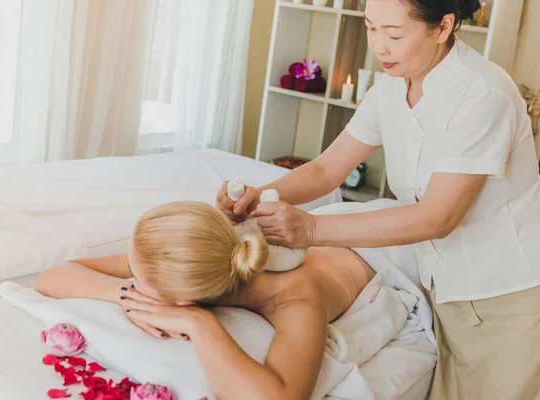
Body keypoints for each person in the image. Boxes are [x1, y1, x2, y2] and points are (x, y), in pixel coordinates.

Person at [216, 0, 540, 398]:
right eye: (371, 28)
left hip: (504, 295)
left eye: (394, 33)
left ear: (443, 27)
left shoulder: (484, 94)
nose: (378, 46)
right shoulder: (391, 86)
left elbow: (437, 217)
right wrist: (258, 194)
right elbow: (326, 170)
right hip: (443, 288)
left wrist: (313, 228)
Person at [35, 201, 376, 400]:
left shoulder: (298, 298)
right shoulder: (191, 251)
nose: (129, 276)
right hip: (338, 217)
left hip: (379, 249)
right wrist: (124, 295)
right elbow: (52, 276)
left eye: (136, 279)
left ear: (183, 300)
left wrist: (200, 324)